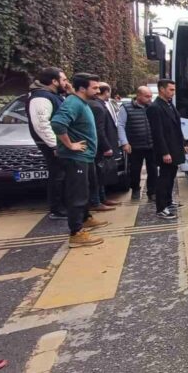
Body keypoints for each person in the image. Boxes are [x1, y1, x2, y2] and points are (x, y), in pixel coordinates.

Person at [50, 73, 109, 248]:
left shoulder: (77, 100)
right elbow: (57, 124)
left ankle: (85, 218)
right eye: (95, 87)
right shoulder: (74, 103)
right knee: (78, 194)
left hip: (85, 156)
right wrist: (70, 145)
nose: (98, 90)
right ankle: (76, 233)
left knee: (88, 187)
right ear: (82, 88)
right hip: (76, 157)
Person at [25, 67, 68, 220]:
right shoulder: (41, 97)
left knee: (62, 174)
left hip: (59, 142)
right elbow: (41, 124)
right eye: (63, 79)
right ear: (54, 81)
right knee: (58, 175)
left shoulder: (52, 95)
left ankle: (63, 205)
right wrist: (54, 145)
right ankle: (57, 209)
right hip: (53, 144)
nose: (66, 82)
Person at [147, 79, 188, 220]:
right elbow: (157, 133)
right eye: (171, 90)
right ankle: (161, 208)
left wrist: (183, 144)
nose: (173, 92)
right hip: (166, 151)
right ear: (161, 89)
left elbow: (177, 128)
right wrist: (165, 152)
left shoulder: (169, 104)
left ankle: (168, 202)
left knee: (171, 177)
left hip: (175, 148)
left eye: (174, 90)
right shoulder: (155, 107)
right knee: (164, 179)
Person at [118, 86, 156, 200]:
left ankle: (152, 192)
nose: (149, 99)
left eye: (150, 96)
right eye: (147, 96)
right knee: (134, 170)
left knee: (153, 170)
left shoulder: (152, 107)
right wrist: (124, 142)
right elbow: (120, 125)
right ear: (138, 95)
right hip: (134, 145)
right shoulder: (126, 108)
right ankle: (135, 189)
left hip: (151, 145)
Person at [87, 83, 120, 211]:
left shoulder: (99, 105)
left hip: (99, 146)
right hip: (99, 148)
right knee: (96, 175)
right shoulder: (96, 106)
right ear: (106, 92)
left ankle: (102, 198)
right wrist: (106, 147)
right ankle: (96, 201)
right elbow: (99, 130)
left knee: (100, 174)